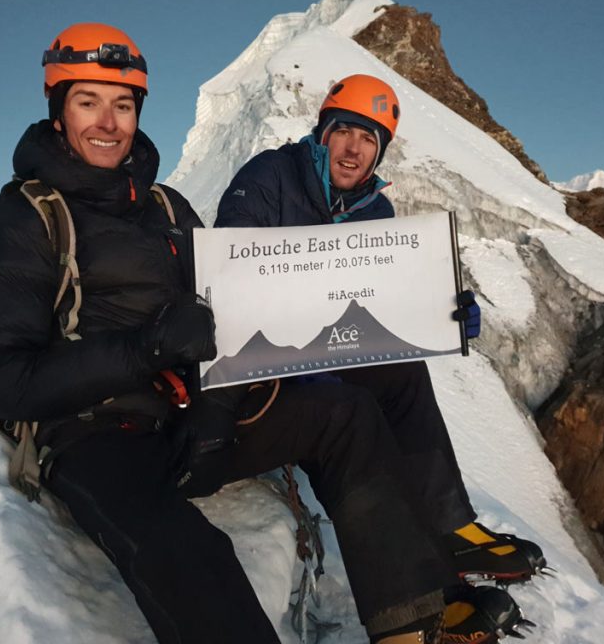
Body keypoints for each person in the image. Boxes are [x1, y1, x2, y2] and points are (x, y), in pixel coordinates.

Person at [0, 25, 469, 644]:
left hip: (191, 413)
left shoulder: (169, 207)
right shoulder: (24, 217)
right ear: (59, 110)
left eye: (122, 105)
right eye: (87, 101)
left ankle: (407, 626)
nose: (108, 122)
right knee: (193, 557)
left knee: (347, 413)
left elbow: (238, 310)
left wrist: (430, 309)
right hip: (97, 431)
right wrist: (143, 349)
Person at [214, 73, 546, 631]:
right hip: (267, 372)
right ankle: (420, 594)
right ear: (323, 133)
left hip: (326, 363)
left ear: (380, 151)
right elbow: (230, 273)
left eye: (369, 140)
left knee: (403, 372)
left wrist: (441, 309)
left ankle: (451, 527)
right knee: (355, 413)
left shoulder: (374, 211)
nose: (354, 148)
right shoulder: (270, 176)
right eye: (344, 131)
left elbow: (381, 306)